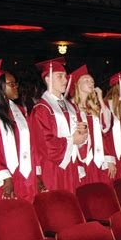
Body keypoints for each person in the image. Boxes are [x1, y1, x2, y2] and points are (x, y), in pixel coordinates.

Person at [0, 60, 36, 203]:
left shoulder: (19, 110)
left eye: (16, 83)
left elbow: (30, 143)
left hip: (24, 173)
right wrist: (5, 177)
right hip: (4, 178)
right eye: (12, 84)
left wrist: (36, 173)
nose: (16, 87)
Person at [30, 57, 88, 193]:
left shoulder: (70, 106)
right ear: (48, 79)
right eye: (60, 76)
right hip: (52, 167)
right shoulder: (41, 109)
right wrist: (73, 140)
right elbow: (44, 143)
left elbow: (78, 134)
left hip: (71, 165)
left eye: (65, 76)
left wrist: (83, 133)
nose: (65, 80)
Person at [67, 64, 114, 184]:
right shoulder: (71, 108)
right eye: (86, 80)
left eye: (92, 81)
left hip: (98, 159)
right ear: (77, 84)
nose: (91, 83)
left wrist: (100, 99)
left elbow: (106, 129)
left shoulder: (94, 108)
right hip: (81, 160)